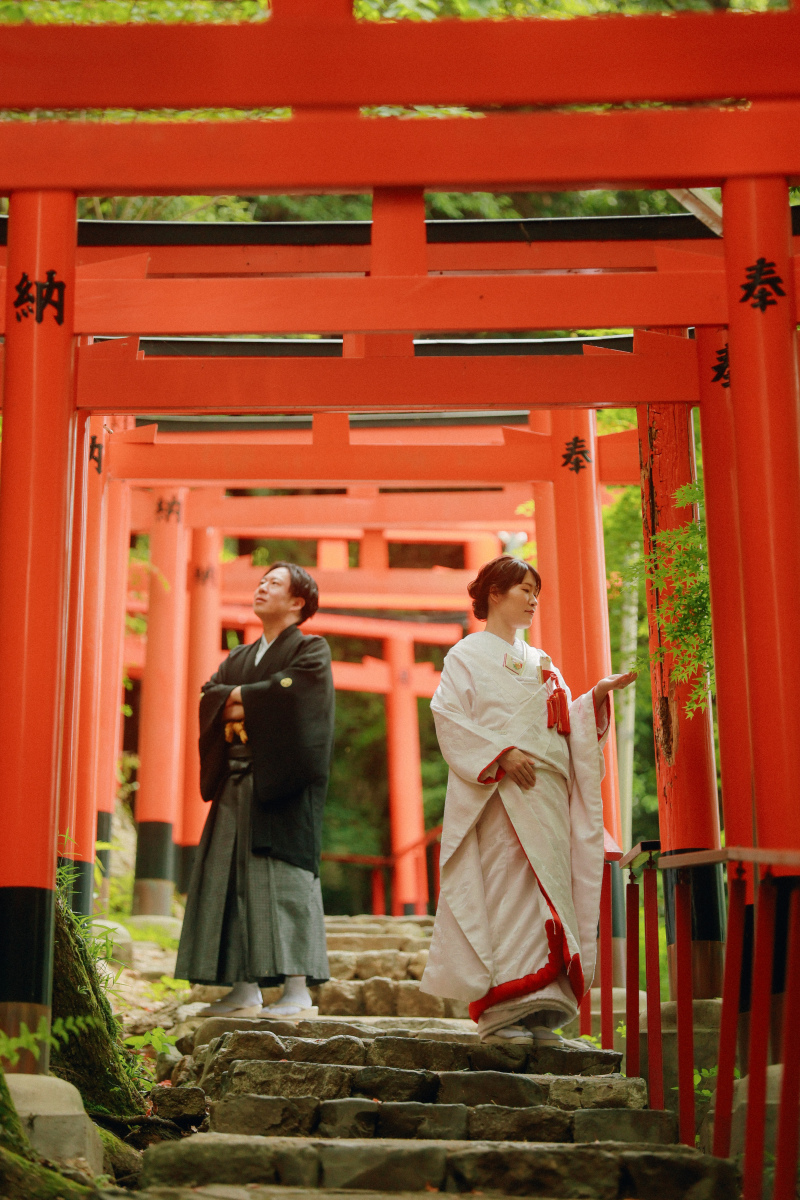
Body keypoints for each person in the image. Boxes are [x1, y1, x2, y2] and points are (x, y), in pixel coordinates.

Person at [419, 555, 635, 1045]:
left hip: (547, 796)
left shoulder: (542, 662)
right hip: (501, 792)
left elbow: (564, 722)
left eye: (537, 590)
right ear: (494, 594)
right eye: (523, 589)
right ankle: (503, 1011)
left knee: (549, 896)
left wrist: (594, 698)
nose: (534, 599)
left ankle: (542, 1011)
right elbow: (448, 717)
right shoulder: (467, 655)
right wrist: (501, 753)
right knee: (507, 893)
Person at [176, 562, 335, 1017]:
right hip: (236, 780)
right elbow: (210, 696)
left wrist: (239, 701)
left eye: (274, 584)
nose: (261, 587)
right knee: (230, 879)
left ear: (298, 601)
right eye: (261, 581)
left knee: (283, 881)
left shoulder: (311, 649)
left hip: (283, 785)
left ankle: (298, 991)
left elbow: (295, 701)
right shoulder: (240, 656)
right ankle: (243, 990)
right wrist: (253, 699)